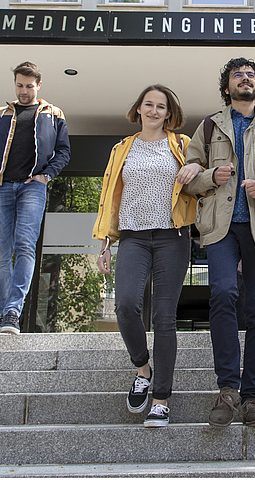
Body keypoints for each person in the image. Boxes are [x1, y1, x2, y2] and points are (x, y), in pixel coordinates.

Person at [184, 57, 255, 428]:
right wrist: (211, 177)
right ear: (227, 87)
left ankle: (253, 397)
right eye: (238, 76)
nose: (245, 80)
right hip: (220, 228)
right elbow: (189, 179)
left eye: (251, 75)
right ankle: (227, 390)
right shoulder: (207, 127)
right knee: (221, 294)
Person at [92, 84, 201, 427]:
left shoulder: (182, 144)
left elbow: (205, 175)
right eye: (148, 104)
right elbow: (110, 196)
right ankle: (143, 368)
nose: (154, 110)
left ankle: (161, 399)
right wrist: (106, 242)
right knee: (125, 304)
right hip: (132, 237)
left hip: (172, 236)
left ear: (170, 113)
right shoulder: (122, 148)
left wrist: (195, 169)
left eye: (161, 106)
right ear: (138, 109)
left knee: (164, 318)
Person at [0, 62, 70, 335]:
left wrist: (46, 176)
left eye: (29, 86)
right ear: (15, 84)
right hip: (0, 187)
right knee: (0, 253)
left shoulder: (53, 113)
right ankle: (5, 314)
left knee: (25, 245)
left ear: (38, 85)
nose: (23, 91)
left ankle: (13, 310)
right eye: (19, 85)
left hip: (32, 187)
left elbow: (63, 151)